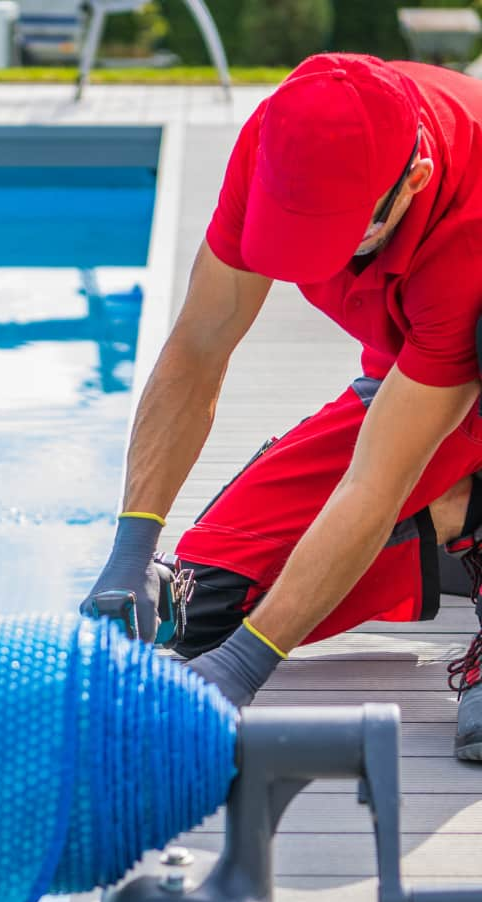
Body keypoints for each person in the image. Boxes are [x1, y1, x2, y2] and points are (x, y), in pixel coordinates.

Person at [80, 52, 482, 761]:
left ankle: (461, 522)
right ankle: (456, 523)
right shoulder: (283, 142)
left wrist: (244, 670)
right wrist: (132, 549)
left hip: (462, 346)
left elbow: (377, 481)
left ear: (411, 185)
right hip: (414, 379)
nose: (318, 265)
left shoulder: (467, 232)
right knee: (206, 608)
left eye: (337, 238)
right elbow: (200, 346)